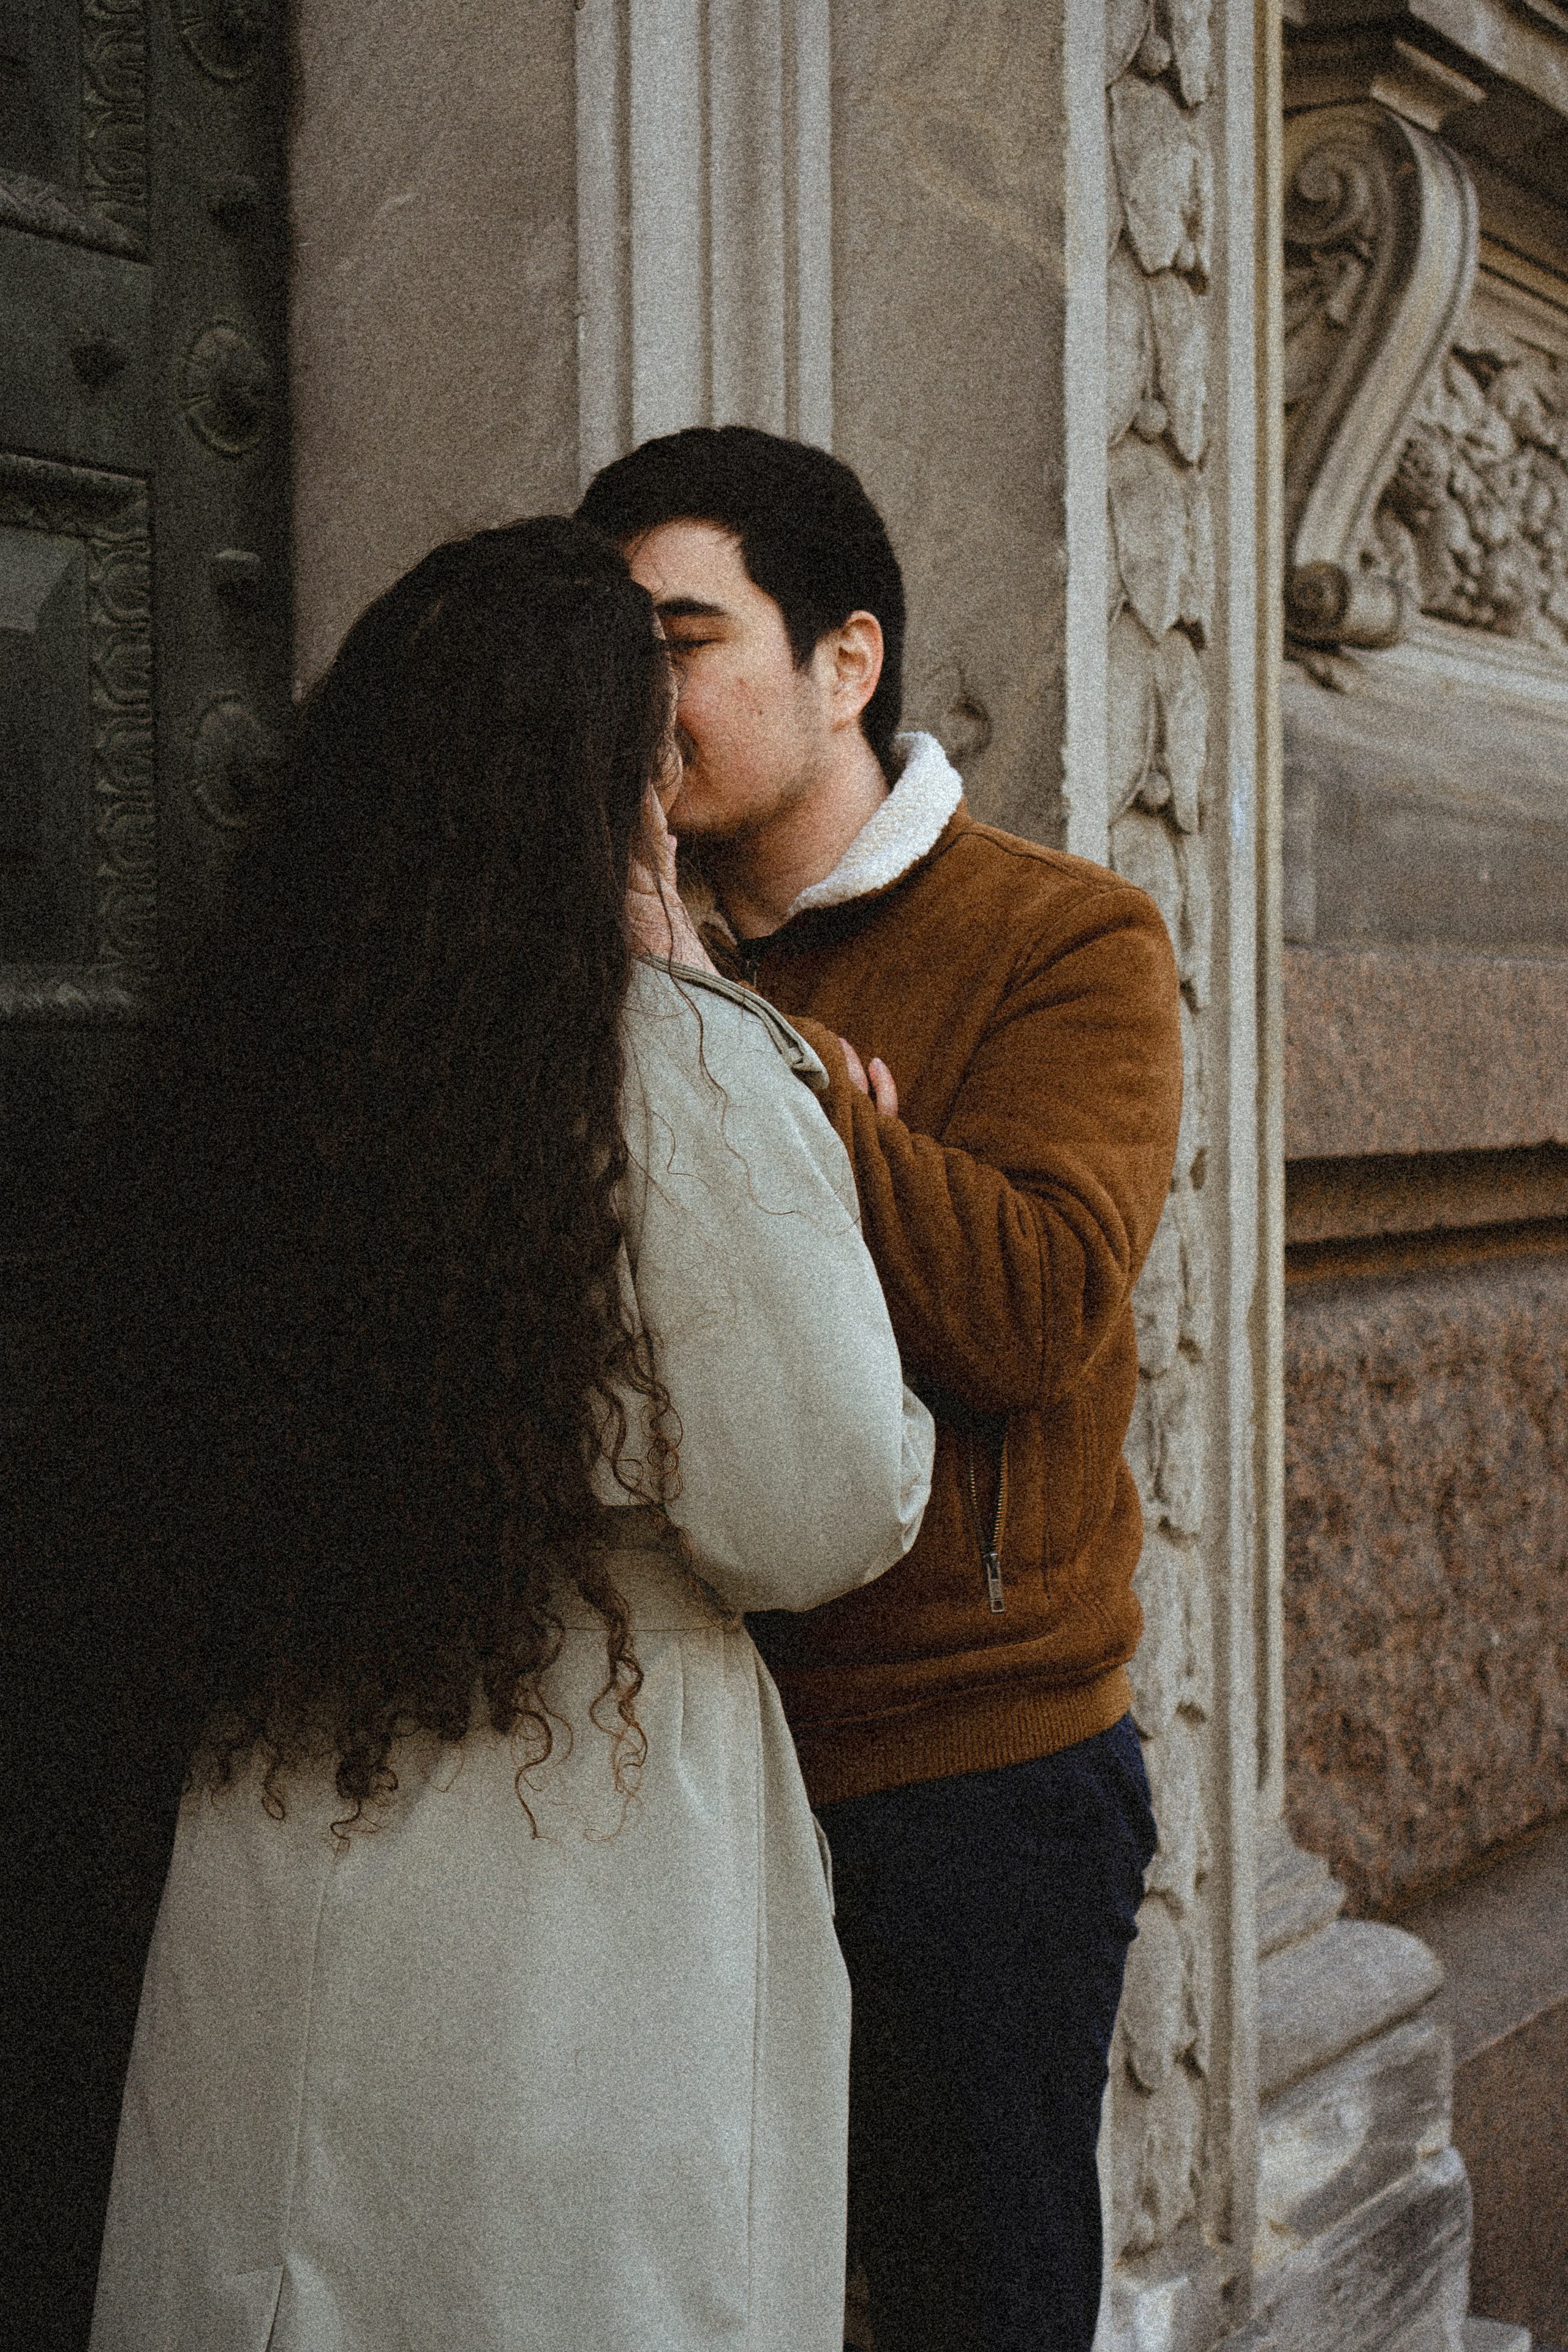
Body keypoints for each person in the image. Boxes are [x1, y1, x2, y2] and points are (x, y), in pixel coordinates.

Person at [16, 517, 933, 2352]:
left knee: (281, 2262)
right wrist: (714, 1032)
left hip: (283, 1779)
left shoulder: (253, 1052)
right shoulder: (671, 1072)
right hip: (586, 1832)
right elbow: (825, 1506)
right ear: (611, 795)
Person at [578, 429, 1185, 2352]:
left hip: (964, 1782)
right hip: (662, 1758)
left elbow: (1032, 1303)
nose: (638, 695)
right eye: (611, 646)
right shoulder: (571, 934)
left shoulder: (1066, 937)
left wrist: (732, 1040)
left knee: (969, 2308)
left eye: (683, 636)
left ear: (847, 661)